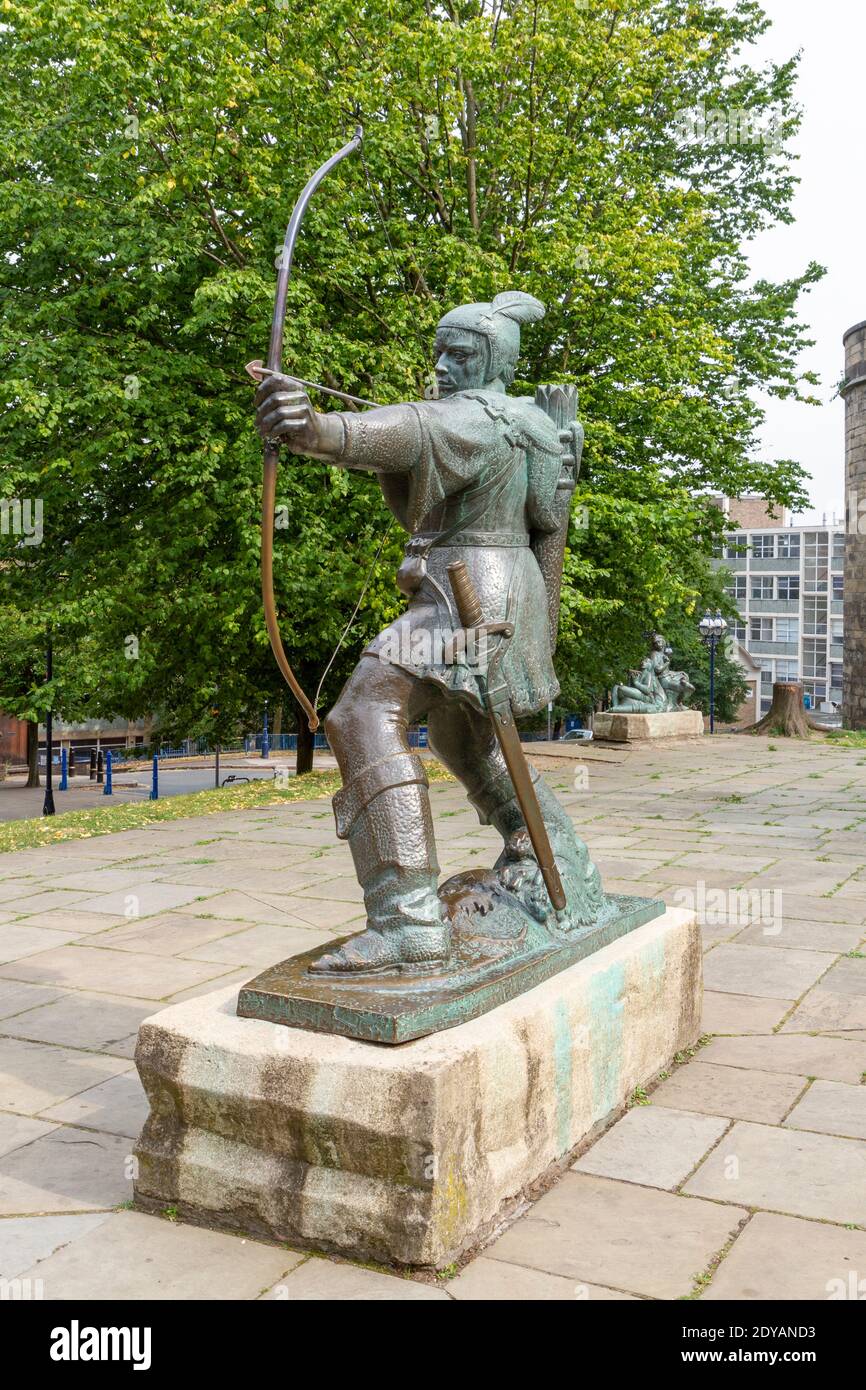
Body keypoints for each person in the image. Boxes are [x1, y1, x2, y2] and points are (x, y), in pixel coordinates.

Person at [255, 291, 601, 972]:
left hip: (466, 596)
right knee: (462, 737)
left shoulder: (468, 421)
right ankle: (554, 856)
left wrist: (309, 425)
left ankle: (406, 919)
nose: (442, 364)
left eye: (460, 354)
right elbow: (542, 512)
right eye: (439, 351)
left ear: (495, 361)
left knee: (361, 713)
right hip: (509, 588)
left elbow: (381, 435)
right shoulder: (532, 422)